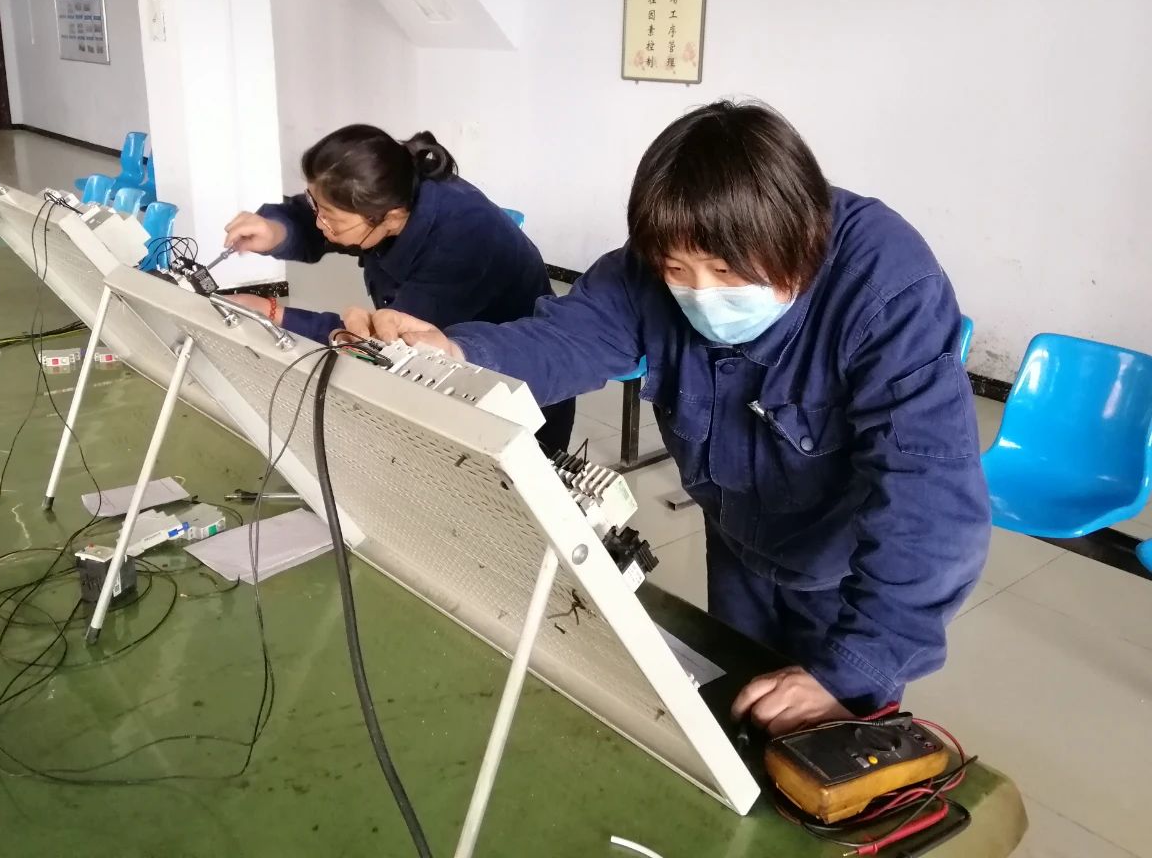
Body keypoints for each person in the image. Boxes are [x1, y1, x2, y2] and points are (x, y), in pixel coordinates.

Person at [345, 100, 991, 736]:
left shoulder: (885, 287)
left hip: (847, 566)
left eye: (726, 271)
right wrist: (456, 352)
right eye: (678, 271)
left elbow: (930, 497)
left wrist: (854, 670)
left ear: (800, 242)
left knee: (824, 745)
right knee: (735, 707)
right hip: (737, 537)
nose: (701, 294)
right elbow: (569, 335)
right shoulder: (653, 260)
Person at [220, 123, 574, 452]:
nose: (319, 222)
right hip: (448, 372)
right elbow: (325, 211)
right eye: (315, 204)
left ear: (388, 217)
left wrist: (272, 313)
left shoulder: (461, 241)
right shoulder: (391, 187)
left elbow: (392, 347)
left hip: (514, 393)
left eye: (329, 218)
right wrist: (276, 230)